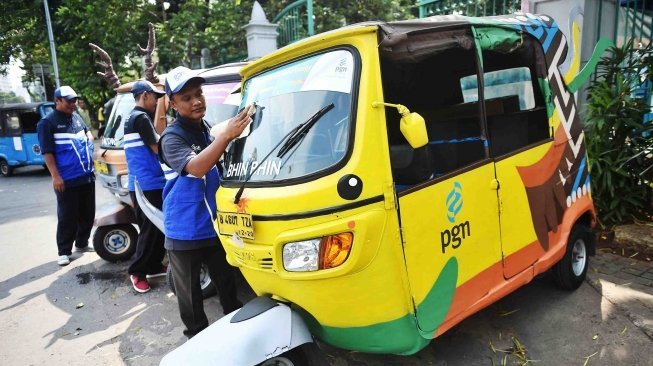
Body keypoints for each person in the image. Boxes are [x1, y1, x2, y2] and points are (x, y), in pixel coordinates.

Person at [160, 66, 251, 338]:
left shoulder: (206, 128)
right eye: (186, 97)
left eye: (198, 93)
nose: (196, 101)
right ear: (172, 103)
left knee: (227, 285)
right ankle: (197, 342)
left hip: (214, 224)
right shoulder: (172, 137)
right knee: (191, 300)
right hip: (185, 229)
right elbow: (197, 168)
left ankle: (238, 336)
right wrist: (225, 136)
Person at [37, 86, 96, 266]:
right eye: (69, 101)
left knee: (88, 213)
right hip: (67, 179)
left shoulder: (76, 117)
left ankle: (82, 243)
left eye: (74, 100)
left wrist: (89, 136)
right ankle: (63, 251)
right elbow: (47, 153)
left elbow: (88, 132)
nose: (73, 104)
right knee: (68, 216)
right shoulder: (47, 123)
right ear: (57, 101)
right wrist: (55, 176)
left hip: (86, 175)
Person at [124, 80, 168, 293]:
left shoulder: (132, 117)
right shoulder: (141, 118)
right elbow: (157, 147)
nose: (157, 101)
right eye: (155, 97)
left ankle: (152, 265)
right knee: (151, 228)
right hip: (147, 183)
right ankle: (138, 271)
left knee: (158, 225)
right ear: (144, 95)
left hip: (144, 181)